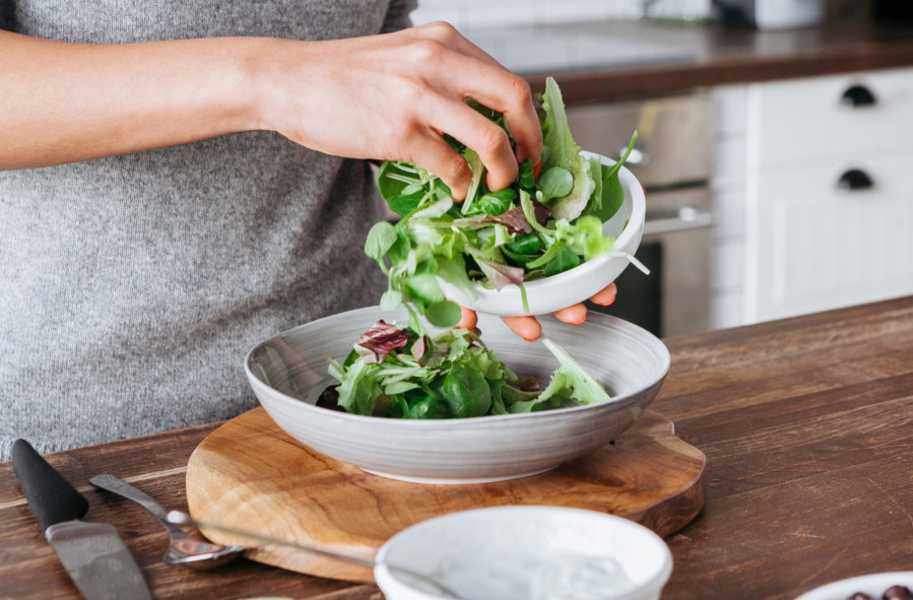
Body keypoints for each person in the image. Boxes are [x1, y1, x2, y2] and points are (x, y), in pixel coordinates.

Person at [0, 1, 618, 459]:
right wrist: (269, 79)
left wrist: (488, 227)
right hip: (82, 446)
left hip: (352, 402)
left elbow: (363, 56)